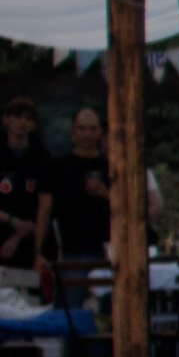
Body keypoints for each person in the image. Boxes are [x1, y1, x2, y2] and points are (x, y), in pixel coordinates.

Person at [47, 106, 113, 260]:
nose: (87, 134)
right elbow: (44, 210)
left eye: (92, 129)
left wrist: (105, 193)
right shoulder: (56, 167)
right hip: (69, 251)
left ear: (100, 132)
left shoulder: (112, 168)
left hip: (107, 250)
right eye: (82, 128)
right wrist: (38, 251)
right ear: (73, 131)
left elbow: (130, 209)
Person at [1, 97, 50, 267]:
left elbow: (46, 204)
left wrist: (22, 232)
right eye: (17, 116)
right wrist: (13, 222)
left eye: (28, 118)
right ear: (6, 120)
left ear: (33, 125)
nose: (22, 122)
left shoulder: (42, 158)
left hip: (33, 240)